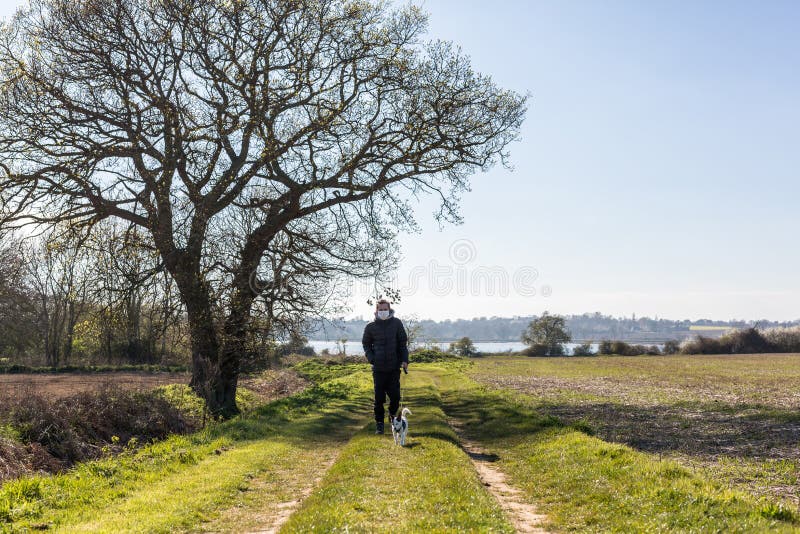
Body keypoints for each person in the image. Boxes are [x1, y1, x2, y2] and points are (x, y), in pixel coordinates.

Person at [361, 298, 409, 434]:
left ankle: (392, 415)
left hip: (394, 368)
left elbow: (402, 344)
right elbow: (366, 344)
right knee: (379, 399)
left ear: (389, 309)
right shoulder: (370, 326)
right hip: (378, 369)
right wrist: (372, 358)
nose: (383, 312)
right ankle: (380, 425)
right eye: (380, 310)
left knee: (395, 397)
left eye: (385, 309)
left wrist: (405, 360)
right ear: (376, 311)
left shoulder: (397, 323)